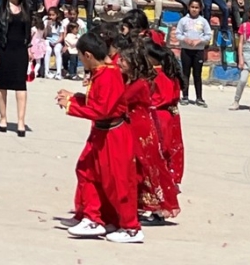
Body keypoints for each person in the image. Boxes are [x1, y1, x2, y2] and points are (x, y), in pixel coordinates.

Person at [56, 33, 144, 244]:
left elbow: (102, 109)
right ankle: (94, 217)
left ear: (88, 55)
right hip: (101, 133)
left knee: (118, 181)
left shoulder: (109, 75)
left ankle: (131, 228)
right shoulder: (101, 72)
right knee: (86, 170)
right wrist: (75, 97)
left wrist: (71, 106)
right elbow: (97, 100)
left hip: (114, 135)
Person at [116, 44, 181, 224]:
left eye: (123, 60)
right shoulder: (132, 80)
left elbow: (122, 101)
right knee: (138, 167)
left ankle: (160, 208)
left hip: (142, 129)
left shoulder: (140, 84)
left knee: (150, 166)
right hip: (135, 126)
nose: (118, 62)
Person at [0, 0, 32, 136]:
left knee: (21, 85)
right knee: (2, 84)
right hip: (3, 48)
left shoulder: (27, 6)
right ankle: (3, 117)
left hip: (20, 50)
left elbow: (28, 31)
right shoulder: (0, 7)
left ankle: (21, 121)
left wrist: (29, 48)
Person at [147, 41, 185, 187]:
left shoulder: (157, 75)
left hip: (160, 115)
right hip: (170, 115)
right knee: (172, 146)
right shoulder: (170, 73)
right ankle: (170, 177)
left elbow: (160, 99)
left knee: (161, 147)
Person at [174, 0, 211, 107]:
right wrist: (185, 39)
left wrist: (199, 41)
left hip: (198, 51)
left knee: (197, 74)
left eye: (197, 7)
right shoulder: (183, 20)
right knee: (185, 74)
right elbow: (178, 34)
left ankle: (199, 98)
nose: (194, 9)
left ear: (200, 9)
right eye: (192, 7)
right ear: (189, 7)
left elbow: (208, 35)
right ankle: (185, 96)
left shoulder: (203, 21)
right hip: (186, 50)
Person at [43, 6, 65, 80]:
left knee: (57, 50)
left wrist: (56, 42)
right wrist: (47, 27)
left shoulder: (60, 23)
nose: (51, 17)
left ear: (57, 15)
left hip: (57, 40)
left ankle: (58, 72)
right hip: (48, 40)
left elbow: (61, 36)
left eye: (53, 15)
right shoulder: (46, 22)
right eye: (50, 15)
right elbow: (45, 35)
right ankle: (47, 72)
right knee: (48, 50)